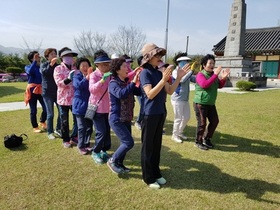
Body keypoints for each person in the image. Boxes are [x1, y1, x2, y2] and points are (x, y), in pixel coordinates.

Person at [139, 43, 190, 189]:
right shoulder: (145, 73)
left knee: (156, 147)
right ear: (148, 57)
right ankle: (147, 177)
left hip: (160, 113)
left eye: (160, 55)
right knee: (148, 148)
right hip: (149, 115)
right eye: (157, 55)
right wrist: (163, 79)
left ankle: (156, 173)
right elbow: (149, 94)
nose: (160, 58)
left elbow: (169, 91)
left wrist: (178, 78)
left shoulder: (158, 71)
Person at [107, 58, 141, 174]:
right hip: (116, 119)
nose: (127, 68)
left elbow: (138, 91)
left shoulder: (126, 82)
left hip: (126, 118)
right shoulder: (113, 83)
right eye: (124, 66)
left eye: (127, 66)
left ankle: (119, 164)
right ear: (117, 70)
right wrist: (132, 83)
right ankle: (112, 160)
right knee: (128, 143)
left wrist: (140, 81)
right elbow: (121, 94)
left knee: (124, 143)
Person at [193, 54, 230, 150]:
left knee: (214, 121)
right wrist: (215, 75)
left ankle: (207, 138)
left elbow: (219, 85)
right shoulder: (200, 75)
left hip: (210, 103)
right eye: (210, 63)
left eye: (213, 63)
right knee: (202, 123)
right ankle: (198, 141)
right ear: (204, 65)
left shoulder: (213, 75)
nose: (212, 65)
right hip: (201, 103)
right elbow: (205, 85)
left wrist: (224, 78)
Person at [89, 50, 112, 164]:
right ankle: (95, 151)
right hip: (97, 109)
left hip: (108, 108)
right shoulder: (94, 75)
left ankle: (104, 150)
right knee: (101, 132)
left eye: (107, 64)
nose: (106, 66)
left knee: (107, 131)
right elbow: (92, 89)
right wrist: (102, 80)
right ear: (97, 64)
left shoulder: (110, 75)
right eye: (103, 64)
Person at [53, 47, 78, 148]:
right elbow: (59, 83)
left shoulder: (75, 68)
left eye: (71, 56)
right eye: (67, 56)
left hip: (75, 98)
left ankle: (75, 136)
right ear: (62, 58)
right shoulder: (58, 68)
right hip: (63, 99)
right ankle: (65, 139)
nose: (69, 58)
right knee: (64, 120)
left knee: (77, 119)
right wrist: (68, 79)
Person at [170, 53, 196, 143]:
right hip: (177, 98)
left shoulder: (187, 72)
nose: (187, 63)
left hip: (185, 99)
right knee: (178, 118)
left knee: (187, 117)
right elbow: (181, 80)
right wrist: (190, 72)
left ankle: (180, 132)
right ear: (179, 63)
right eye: (185, 62)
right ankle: (175, 135)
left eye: (188, 62)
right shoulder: (175, 71)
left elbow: (193, 79)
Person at [72, 57, 93, 155]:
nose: (85, 67)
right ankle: (80, 146)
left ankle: (86, 143)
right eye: (83, 66)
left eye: (87, 65)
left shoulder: (93, 76)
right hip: (79, 106)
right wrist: (86, 78)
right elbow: (78, 86)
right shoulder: (76, 76)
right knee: (81, 127)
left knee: (89, 126)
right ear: (79, 67)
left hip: (90, 106)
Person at [40, 48, 61, 139]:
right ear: (47, 57)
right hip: (47, 93)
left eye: (55, 54)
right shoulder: (44, 65)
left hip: (58, 92)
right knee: (50, 114)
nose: (54, 56)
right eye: (52, 54)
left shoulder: (58, 66)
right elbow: (45, 73)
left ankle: (58, 128)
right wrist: (51, 65)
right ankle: (50, 132)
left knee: (62, 112)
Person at [24, 51, 47, 133]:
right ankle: (35, 127)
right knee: (33, 110)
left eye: (38, 56)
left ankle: (42, 121)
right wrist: (34, 61)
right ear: (31, 58)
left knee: (46, 108)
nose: (38, 58)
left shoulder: (41, 67)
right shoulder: (27, 67)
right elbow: (30, 72)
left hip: (40, 89)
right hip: (31, 90)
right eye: (36, 56)